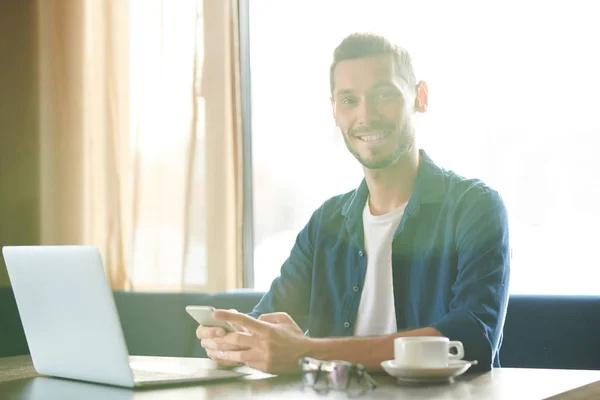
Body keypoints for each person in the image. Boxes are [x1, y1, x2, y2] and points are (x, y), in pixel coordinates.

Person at [197, 32, 510, 375]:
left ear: (419, 97)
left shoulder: (475, 207)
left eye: (384, 94)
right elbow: (264, 322)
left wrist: (309, 352)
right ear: (334, 110)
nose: (366, 114)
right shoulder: (325, 223)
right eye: (349, 100)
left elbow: (470, 337)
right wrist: (229, 342)